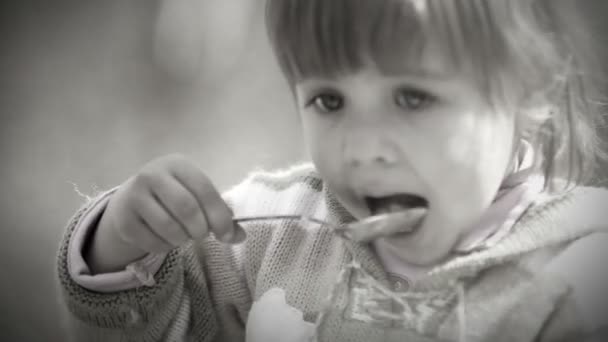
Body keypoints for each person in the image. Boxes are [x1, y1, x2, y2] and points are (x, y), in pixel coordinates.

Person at [57, 0, 608, 341]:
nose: (363, 148)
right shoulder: (265, 238)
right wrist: (121, 243)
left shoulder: (581, 274)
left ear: (529, 92)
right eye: (329, 100)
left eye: (412, 98)